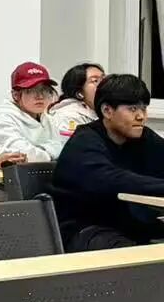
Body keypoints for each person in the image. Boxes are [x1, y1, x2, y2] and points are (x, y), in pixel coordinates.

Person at [52, 73, 164, 249]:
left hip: (127, 224)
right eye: (133, 109)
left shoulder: (143, 137)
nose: (141, 116)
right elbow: (113, 180)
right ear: (107, 111)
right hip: (83, 228)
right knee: (129, 254)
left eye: (144, 108)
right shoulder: (84, 142)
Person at [0, 62, 61, 162]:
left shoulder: (48, 119)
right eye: (32, 90)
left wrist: (41, 151)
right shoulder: (3, 119)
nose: (40, 96)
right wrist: (49, 153)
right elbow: (20, 154)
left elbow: (62, 148)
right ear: (16, 95)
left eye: (45, 90)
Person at [48, 62, 106, 144]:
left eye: (104, 79)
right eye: (95, 81)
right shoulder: (68, 116)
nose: (104, 84)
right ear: (79, 93)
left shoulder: (104, 111)